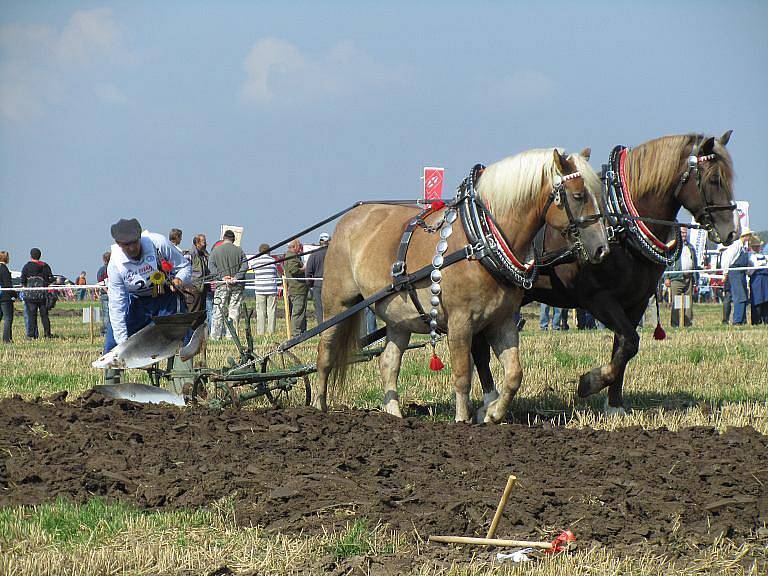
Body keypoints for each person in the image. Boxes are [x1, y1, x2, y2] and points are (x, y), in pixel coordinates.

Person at [104, 219, 191, 384]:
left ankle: (184, 386)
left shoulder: (158, 243)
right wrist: (124, 347)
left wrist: (179, 279)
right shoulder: (115, 265)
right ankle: (111, 392)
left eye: (134, 243)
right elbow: (117, 306)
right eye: (126, 245)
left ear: (140, 237)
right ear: (118, 244)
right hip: (136, 303)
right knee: (112, 344)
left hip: (166, 299)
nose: (132, 248)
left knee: (182, 336)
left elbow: (185, 267)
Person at [209, 229, 248, 340]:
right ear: (234, 239)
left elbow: (211, 266)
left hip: (221, 285)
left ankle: (215, 336)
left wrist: (221, 277)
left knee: (218, 310)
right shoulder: (239, 250)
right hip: (236, 285)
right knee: (234, 310)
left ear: (223, 238)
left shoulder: (216, 251)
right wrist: (236, 277)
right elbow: (245, 266)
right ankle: (231, 335)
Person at [666, 226, 698, 327]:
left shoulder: (691, 247)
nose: (684, 234)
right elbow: (668, 262)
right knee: (676, 302)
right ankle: (675, 324)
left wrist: (696, 277)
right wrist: (667, 277)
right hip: (676, 278)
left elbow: (695, 262)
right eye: (682, 232)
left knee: (688, 302)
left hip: (689, 277)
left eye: (685, 233)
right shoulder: (673, 247)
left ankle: (687, 323)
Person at [20, 248, 55, 339]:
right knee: (44, 315)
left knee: (32, 316)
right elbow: (50, 279)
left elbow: (22, 280)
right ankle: (47, 334)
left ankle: (32, 335)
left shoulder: (27, 266)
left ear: (31, 256)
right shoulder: (45, 266)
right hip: (42, 295)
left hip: (30, 296)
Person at [721, 228, 752, 325]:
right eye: (748, 235)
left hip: (741, 272)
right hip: (735, 272)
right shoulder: (736, 245)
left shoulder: (743, 247)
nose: (749, 237)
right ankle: (737, 320)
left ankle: (742, 320)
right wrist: (725, 273)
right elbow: (726, 259)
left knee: (743, 296)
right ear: (744, 236)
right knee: (739, 296)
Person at [251, 243, 279, 335]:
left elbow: (254, 271)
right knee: (271, 311)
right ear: (269, 251)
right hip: (271, 288)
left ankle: (260, 332)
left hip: (260, 289)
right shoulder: (273, 260)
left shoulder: (255, 261)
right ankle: (271, 331)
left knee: (260, 311)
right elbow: (276, 273)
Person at [284, 238, 309, 337]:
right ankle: (296, 332)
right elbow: (294, 270)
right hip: (297, 288)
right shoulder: (291, 257)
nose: (301, 248)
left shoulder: (294, 256)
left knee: (301, 311)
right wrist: (303, 269)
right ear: (294, 247)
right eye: (299, 246)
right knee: (297, 311)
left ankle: (302, 330)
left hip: (300, 288)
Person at [305, 232, 329, 325]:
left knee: (319, 309)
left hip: (318, 284)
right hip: (331, 283)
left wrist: (310, 284)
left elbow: (308, 272)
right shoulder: (334, 254)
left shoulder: (314, 255)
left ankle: (321, 330)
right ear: (329, 241)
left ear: (320, 242)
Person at [184, 234, 210, 315]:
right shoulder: (190, 254)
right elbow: (185, 269)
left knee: (201, 314)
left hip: (203, 287)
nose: (205, 244)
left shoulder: (205, 255)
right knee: (193, 312)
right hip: (194, 287)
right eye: (203, 242)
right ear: (197, 243)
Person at [748, 236, 768, 325]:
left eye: (758, 246)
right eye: (755, 246)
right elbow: (753, 268)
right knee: (757, 300)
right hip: (756, 279)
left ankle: (766, 319)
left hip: (765, 279)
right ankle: (756, 320)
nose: (757, 248)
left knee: (766, 300)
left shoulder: (763, 255)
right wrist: (762, 263)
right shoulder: (750, 255)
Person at [0, 251, 16, 343]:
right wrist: (14, 294)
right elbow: (7, 284)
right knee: (8, 318)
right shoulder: (4, 269)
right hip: (5, 298)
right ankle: (6, 339)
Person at [96, 252, 111, 336]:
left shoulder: (101, 270)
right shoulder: (114, 268)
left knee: (106, 314)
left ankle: (106, 332)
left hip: (105, 294)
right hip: (110, 294)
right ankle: (106, 332)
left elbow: (100, 283)